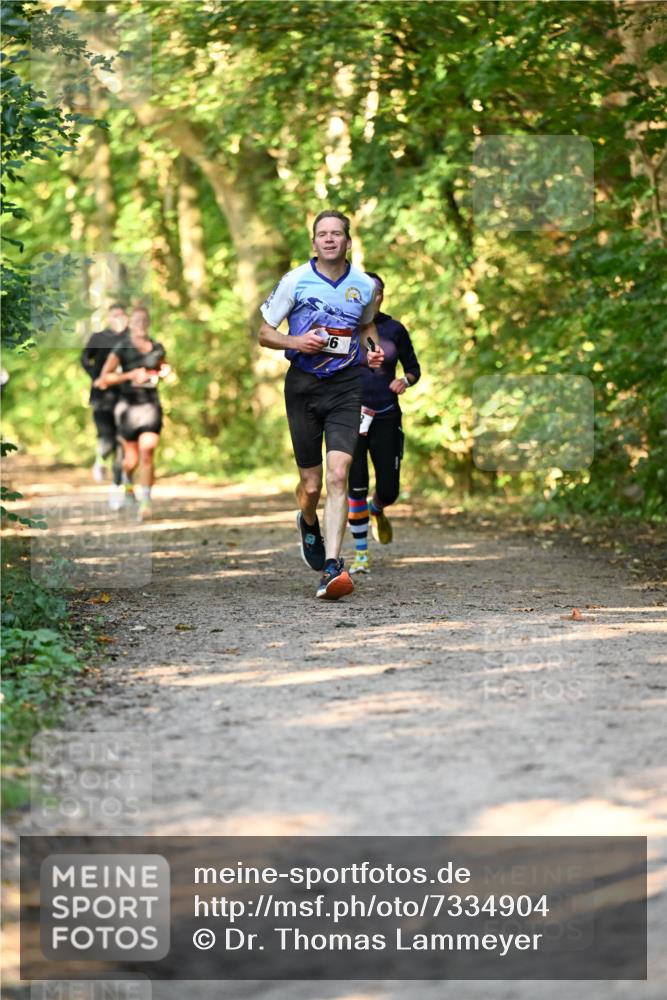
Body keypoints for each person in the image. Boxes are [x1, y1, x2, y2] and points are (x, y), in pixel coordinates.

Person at [258, 210, 384, 600]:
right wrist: (297, 342)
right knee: (312, 485)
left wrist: (373, 350)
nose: (329, 239)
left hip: (347, 386)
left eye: (336, 233)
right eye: (322, 234)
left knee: (339, 474)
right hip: (303, 386)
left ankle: (332, 565)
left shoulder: (363, 285)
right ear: (314, 242)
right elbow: (264, 333)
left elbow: (366, 327)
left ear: (348, 241)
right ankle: (308, 520)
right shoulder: (295, 280)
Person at [347, 272, 421, 574]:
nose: (371, 297)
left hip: (386, 414)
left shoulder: (395, 329)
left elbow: (414, 369)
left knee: (389, 490)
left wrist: (405, 380)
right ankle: (361, 554)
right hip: (349, 415)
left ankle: (376, 509)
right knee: (356, 485)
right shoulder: (345, 326)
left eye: (375, 292)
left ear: (382, 296)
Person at [94, 306, 168, 521]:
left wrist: (164, 372)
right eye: (136, 321)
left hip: (150, 405)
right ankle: (127, 481)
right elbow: (104, 378)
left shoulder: (157, 348)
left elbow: (162, 368)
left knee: (148, 452)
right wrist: (130, 375)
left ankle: (145, 503)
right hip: (128, 408)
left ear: (148, 323)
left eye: (144, 320)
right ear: (131, 324)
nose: (140, 325)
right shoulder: (122, 347)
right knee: (131, 459)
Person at [80, 302, 128, 504]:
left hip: (126, 398)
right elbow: (84, 359)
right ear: (109, 317)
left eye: (121, 315)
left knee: (122, 443)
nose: (117, 318)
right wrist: (97, 376)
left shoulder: (131, 338)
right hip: (102, 398)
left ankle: (117, 488)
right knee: (107, 439)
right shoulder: (98, 338)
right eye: (114, 315)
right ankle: (100, 460)